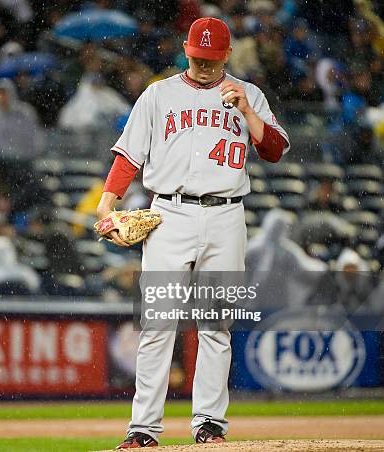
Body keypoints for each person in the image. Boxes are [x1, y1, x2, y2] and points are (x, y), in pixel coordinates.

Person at [96, 18, 290, 447]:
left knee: (216, 324)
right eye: (197, 57)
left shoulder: (249, 94)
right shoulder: (159, 94)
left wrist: (247, 110)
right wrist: (109, 201)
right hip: (169, 215)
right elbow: (129, 154)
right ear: (186, 48)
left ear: (226, 55)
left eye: (211, 58)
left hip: (226, 216)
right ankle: (143, 430)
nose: (203, 66)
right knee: (158, 324)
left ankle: (210, 425)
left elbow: (274, 151)